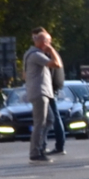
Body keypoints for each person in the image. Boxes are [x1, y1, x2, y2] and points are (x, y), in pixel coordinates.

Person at [21, 30, 65, 163]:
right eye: (49, 42)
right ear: (43, 42)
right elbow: (57, 64)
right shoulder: (36, 55)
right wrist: (51, 50)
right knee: (40, 123)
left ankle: (40, 145)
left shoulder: (32, 53)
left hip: (42, 92)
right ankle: (35, 152)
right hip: (40, 93)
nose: (50, 44)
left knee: (50, 119)